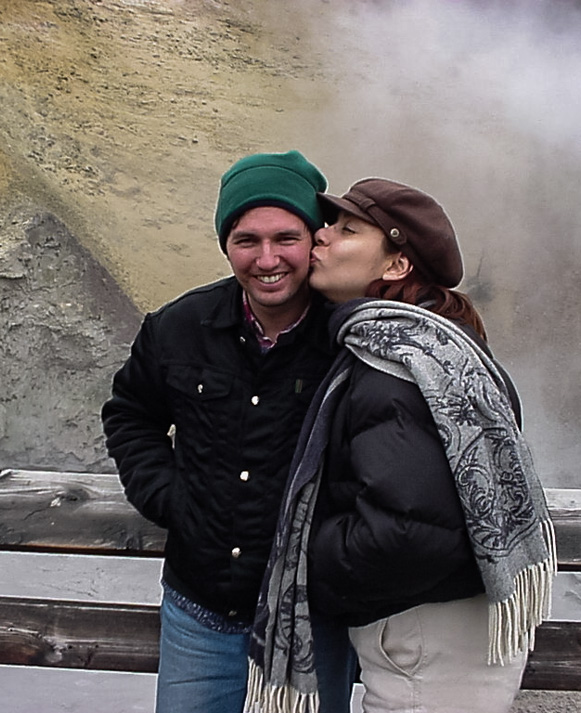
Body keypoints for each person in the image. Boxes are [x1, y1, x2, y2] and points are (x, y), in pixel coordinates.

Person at [246, 178, 557, 713]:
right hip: (447, 631)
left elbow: (408, 533)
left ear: (396, 266)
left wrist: (306, 555)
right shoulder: (430, 347)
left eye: (347, 230)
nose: (320, 237)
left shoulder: (394, 370)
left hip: (425, 644)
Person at [101, 151, 357, 713]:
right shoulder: (178, 328)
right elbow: (129, 414)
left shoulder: (351, 338)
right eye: (247, 240)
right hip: (199, 609)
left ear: (315, 239)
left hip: (312, 619)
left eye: (286, 238)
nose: (268, 259)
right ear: (226, 244)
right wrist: (168, 498)